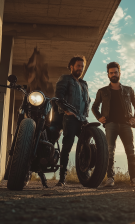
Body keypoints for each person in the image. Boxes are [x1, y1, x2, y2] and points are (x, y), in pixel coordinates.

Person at [92, 62, 135, 187]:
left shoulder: (129, 90)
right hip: (110, 124)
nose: (114, 74)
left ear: (120, 73)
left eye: (116, 72)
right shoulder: (102, 91)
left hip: (126, 124)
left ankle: (133, 179)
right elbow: (94, 107)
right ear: (108, 75)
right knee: (109, 151)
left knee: (130, 151)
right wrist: (99, 117)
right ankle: (110, 178)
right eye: (111, 73)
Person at [54, 56, 91, 186]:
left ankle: (84, 172)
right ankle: (62, 178)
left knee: (86, 146)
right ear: (72, 67)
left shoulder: (84, 83)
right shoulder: (65, 79)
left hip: (82, 119)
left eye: (82, 66)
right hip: (70, 118)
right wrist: (66, 110)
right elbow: (58, 97)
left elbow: (87, 101)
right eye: (78, 66)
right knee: (67, 146)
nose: (80, 68)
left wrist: (85, 115)